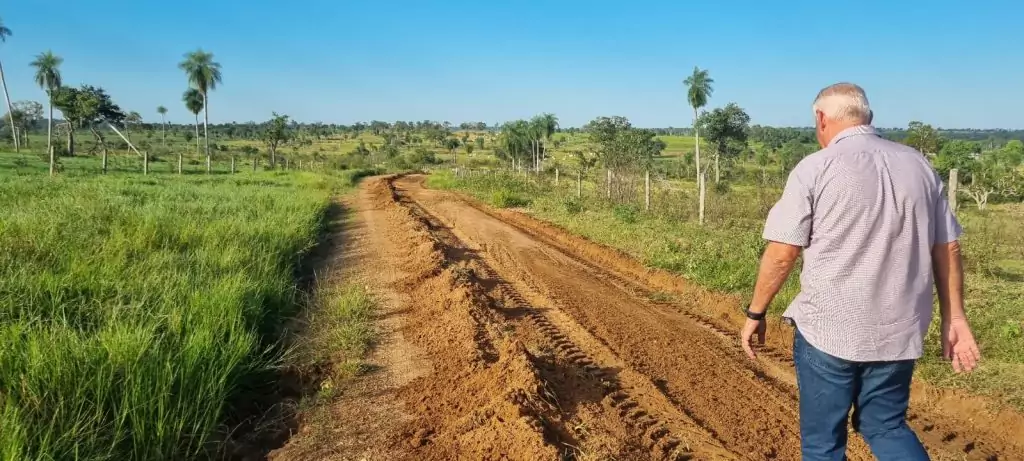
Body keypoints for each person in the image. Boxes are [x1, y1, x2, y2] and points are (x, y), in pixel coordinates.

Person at [739, 82, 981, 460]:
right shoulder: (918, 165)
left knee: (823, 443)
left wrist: (756, 312)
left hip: (829, 331)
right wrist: (957, 318)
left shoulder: (815, 168)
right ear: (867, 116)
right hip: (898, 334)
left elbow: (783, 252)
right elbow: (947, 246)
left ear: (822, 118)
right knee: (885, 426)